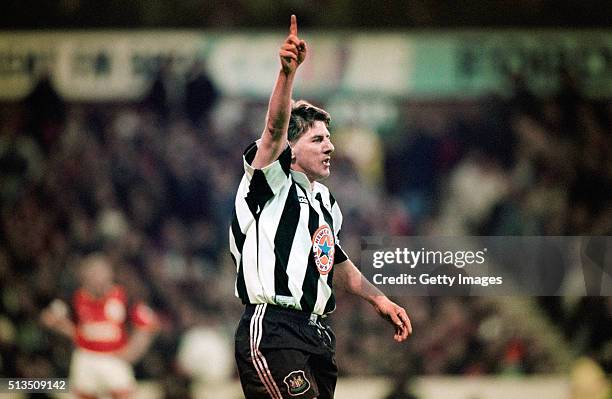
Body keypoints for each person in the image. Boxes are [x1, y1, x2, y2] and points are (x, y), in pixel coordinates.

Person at [230, 15, 412, 399]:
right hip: (274, 328)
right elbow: (275, 129)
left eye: (329, 138)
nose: (330, 146)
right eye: (317, 140)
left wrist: (378, 299)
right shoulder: (268, 181)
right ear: (290, 152)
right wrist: (286, 74)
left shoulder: (325, 202)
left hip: (316, 335)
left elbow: (335, 262)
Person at [40, 253, 158, 399]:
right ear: (83, 276)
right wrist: (74, 332)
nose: (96, 278)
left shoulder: (125, 296)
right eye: (92, 274)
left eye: (100, 273)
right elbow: (49, 318)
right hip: (86, 357)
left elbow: (147, 323)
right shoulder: (73, 297)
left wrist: (133, 351)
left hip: (115, 357)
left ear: (110, 274)